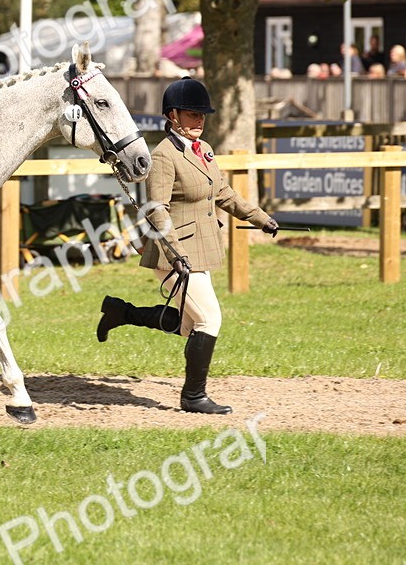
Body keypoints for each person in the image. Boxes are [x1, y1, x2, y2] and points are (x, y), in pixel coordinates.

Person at [95, 77, 279, 414]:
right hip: (172, 251)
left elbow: (223, 193)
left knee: (187, 325)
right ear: (173, 116)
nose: (200, 120)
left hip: (201, 248)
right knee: (209, 319)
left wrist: (260, 218)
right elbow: (158, 210)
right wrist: (176, 253)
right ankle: (193, 397)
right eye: (193, 114)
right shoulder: (163, 156)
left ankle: (121, 312)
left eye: (202, 114)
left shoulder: (204, 149)